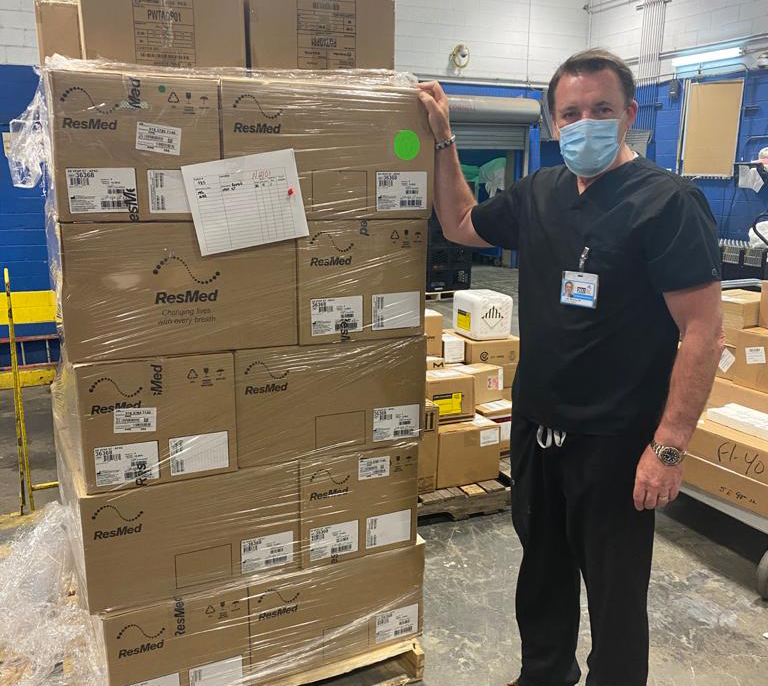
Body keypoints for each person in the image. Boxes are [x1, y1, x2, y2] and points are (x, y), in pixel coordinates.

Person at [417, 49, 723, 686]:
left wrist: (669, 447)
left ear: (629, 114)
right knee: (542, 574)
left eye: (601, 109)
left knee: (615, 595)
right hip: (536, 428)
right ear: (554, 124)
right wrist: (444, 138)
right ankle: (544, 676)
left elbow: (702, 331)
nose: (585, 123)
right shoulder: (540, 193)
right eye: (571, 113)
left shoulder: (667, 203)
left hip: (616, 443)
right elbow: (461, 222)